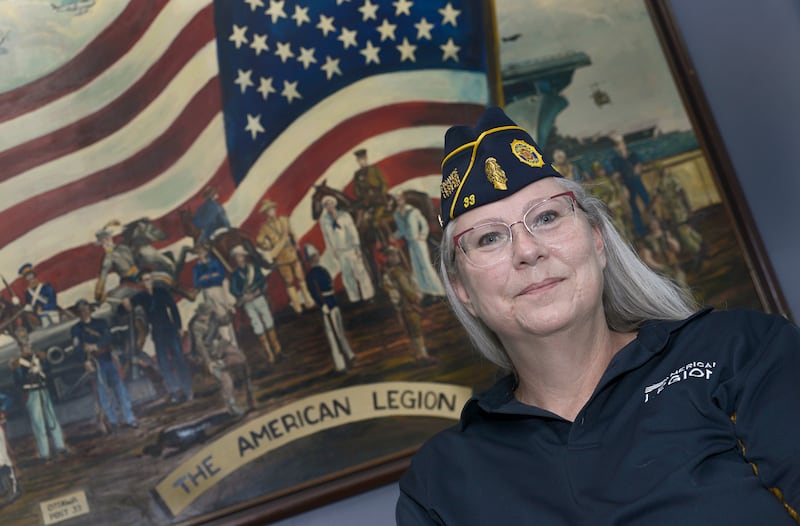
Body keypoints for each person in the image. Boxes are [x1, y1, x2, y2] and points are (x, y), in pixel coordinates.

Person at [396, 107, 800, 525]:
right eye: (489, 238)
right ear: (462, 291)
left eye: (547, 216)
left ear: (597, 239)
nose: (527, 251)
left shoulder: (742, 352)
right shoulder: (439, 482)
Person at [124, 269, 193, 404]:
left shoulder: (161, 292)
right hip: (157, 333)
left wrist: (178, 326)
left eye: (149, 279)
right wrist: (125, 303)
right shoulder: (140, 297)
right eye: (145, 280)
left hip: (170, 329)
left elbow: (173, 308)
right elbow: (125, 309)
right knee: (163, 363)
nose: (148, 282)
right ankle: (174, 391)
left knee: (179, 359)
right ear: (141, 283)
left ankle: (187, 389)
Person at [71, 299, 138, 432]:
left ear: (90, 309)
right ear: (78, 313)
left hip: (107, 359)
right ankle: (112, 422)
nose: (84, 312)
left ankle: (129, 418)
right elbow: (77, 347)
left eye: (86, 309)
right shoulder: (76, 329)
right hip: (95, 363)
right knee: (103, 394)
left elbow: (108, 337)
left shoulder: (100, 323)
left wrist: (96, 345)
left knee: (120, 389)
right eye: (81, 311)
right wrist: (85, 361)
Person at [10, 327, 68, 462]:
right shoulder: (18, 362)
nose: (26, 345)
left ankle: (60, 446)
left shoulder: (38, 356)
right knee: (38, 423)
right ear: (19, 345)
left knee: (52, 419)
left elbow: (48, 372)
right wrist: (18, 369)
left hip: (43, 389)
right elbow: (18, 381)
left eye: (26, 341)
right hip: (31, 393)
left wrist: (44, 362)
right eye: (22, 343)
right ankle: (44, 453)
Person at [188, 302, 253, 416]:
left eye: (209, 313)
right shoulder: (195, 326)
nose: (207, 316)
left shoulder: (213, 317)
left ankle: (247, 382)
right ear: (199, 314)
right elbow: (200, 346)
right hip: (207, 353)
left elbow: (225, 321)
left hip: (220, 345)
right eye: (205, 314)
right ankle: (231, 405)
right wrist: (209, 362)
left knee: (241, 357)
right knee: (226, 379)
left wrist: (230, 311)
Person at [303, 244, 357, 374]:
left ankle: (349, 354)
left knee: (340, 331)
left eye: (316, 255)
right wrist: (322, 305)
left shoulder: (322, 270)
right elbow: (315, 292)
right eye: (312, 257)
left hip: (333, 302)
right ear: (309, 260)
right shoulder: (311, 275)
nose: (315, 258)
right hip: (326, 305)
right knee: (332, 336)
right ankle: (340, 364)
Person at [256, 198, 315, 314]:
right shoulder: (264, 228)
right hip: (280, 257)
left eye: (272, 209)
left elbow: (292, 233)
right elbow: (259, 240)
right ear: (265, 213)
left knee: (300, 277)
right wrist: (267, 246)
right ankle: (297, 306)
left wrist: (297, 244)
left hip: (291, 252)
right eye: (268, 211)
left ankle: (308, 300)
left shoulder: (284, 220)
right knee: (289, 281)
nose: (271, 212)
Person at [228, 245, 282, 366]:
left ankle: (277, 350)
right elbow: (233, 289)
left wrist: (258, 291)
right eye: (237, 256)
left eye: (241, 255)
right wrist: (243, 295)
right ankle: (269, 353)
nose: (239, 258)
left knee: (268, 321)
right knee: (257, 325)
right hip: (247, 302)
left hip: (259, 298)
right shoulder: (235, 275)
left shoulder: (253, 268)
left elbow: (262, 282)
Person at [381, 245, 434, 365]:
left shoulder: (397, 270)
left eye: (396, 254)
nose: (395, 257)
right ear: (388, 258)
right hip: (408, 304)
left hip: (404, 305)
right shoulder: (396, 272)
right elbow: (406, 289)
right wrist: (415, 298)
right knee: (415, 329)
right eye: (392, 255)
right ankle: (422, 356)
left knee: (413, 330)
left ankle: (419, 355)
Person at [318, 195, 375, 303]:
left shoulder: (344, 216)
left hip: (351, 248)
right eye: (326, 205)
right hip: (340, 251)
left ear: (334, 204)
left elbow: (353, 231)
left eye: (330, 203)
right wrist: (332, 251)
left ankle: (368, 295)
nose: (329, 206)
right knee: (347, 275)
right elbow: (327, 237)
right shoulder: (325, 221)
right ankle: (354, 298)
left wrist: (356, 246)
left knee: (360, 272)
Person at [392, 192, 445, 300]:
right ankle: (426, 291)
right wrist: (394, 236)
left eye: (400, 199)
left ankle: (438, 291)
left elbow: (423, 224)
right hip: (410, 243)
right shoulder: (397, 214)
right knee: (417, 267)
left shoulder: (413, 211)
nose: (399, 202)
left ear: (404, 200)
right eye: (397, 201)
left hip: (419, 242)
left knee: (425, 265)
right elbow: (401, 230)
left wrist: (422, 235)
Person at [192, 242, 238, 345]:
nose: (201, 254)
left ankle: (233, 343)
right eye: (198, 252)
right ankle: (227, 343)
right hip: (208, 292)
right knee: (217, 316)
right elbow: (197, 282)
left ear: (206, 252)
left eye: (202, 251)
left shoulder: (215, 263)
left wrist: (206, 277)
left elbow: (221, 276)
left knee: (225, 313)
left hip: (219, 289)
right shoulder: (197, 268)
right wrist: (211, 276)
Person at [610, 133, 651, 237]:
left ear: (624, 144)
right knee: (634, 208)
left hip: (637, 182)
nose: (619, 147)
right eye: (617, 145)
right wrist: (623, 187)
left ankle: (655, 224)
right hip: (627, 185)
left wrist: (637, 168)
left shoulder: (633, 155)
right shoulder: (616, 161)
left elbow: (638, 167)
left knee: (647, 202)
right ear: (615, 148)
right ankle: (641, 231)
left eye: (620, 144)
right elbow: (617, 175)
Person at [18, 263, 60, 327]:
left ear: (34, 275)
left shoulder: (46, 287)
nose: (30, 279)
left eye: (31, 276)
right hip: (37, 317)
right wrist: (27, 308)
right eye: (27, 277)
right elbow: (30, 306)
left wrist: (42, 308)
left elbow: (53, 303)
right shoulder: (28, 293)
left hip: (51, 313)